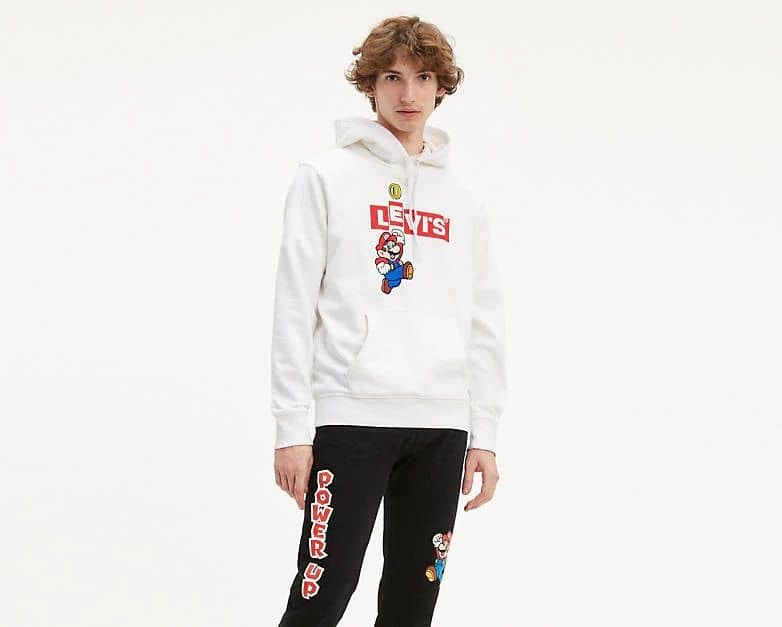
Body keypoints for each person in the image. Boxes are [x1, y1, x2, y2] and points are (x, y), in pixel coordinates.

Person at [271, 15, 507, 626]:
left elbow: (484, 318)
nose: (408, 94)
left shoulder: (464, 198)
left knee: (412, 605)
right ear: (370, 85)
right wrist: (292, 428)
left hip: (442, 426)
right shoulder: (325, 178)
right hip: (353, 419)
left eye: (423, 78)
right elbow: (294, 304)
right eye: (393, 78)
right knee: (321, 597)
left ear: (441, 87)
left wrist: (483, 433)